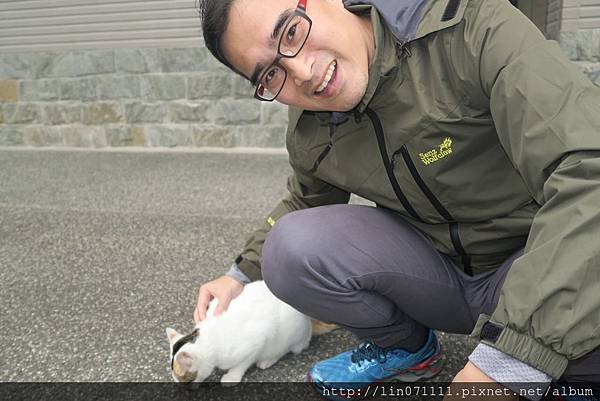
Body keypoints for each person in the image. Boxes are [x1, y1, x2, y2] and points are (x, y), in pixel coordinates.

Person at [194, 0, 600, 398]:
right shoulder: (310, 124)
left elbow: (587, 170)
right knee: (289, 248)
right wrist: (239, 273)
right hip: (441, 279)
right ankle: (408, 351)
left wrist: (505, 367)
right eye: (270, 74)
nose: (301, 73)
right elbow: (305, 200)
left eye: (292, 31)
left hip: (530, 263)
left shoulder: (472, 28)